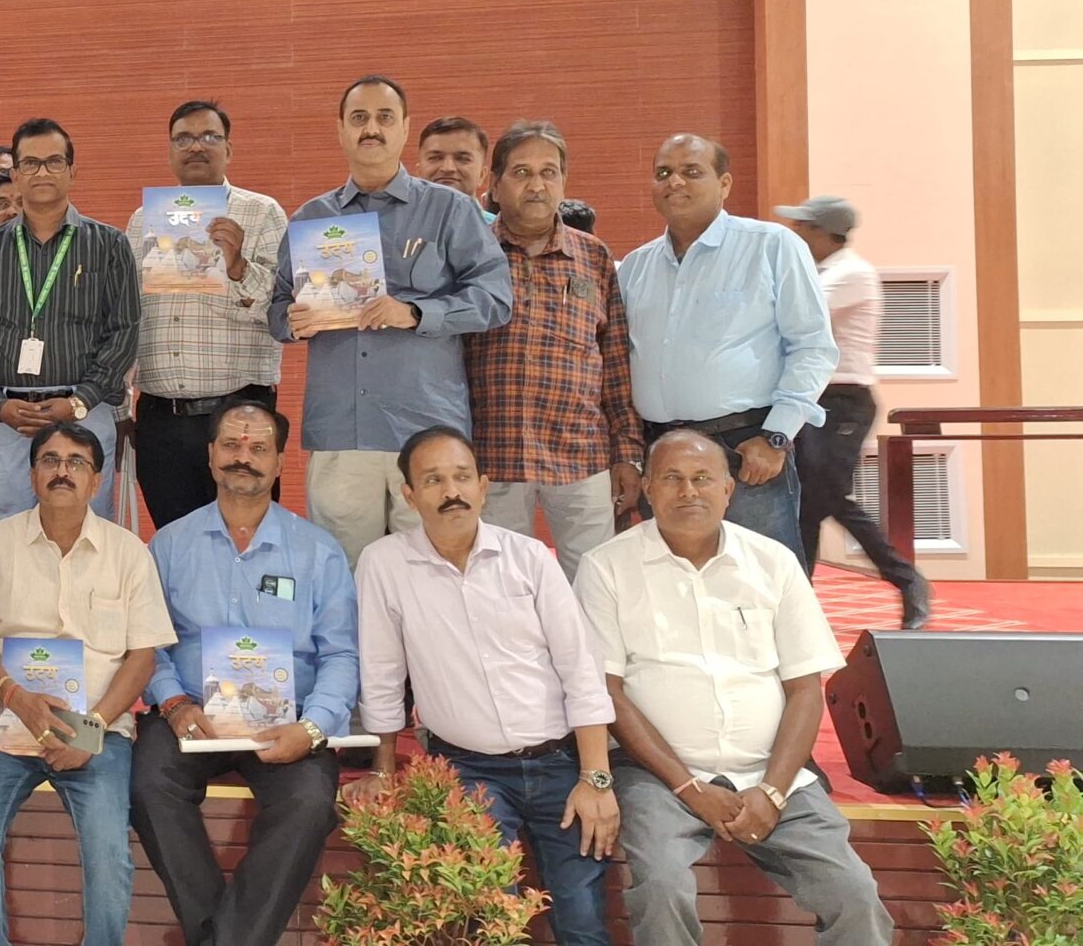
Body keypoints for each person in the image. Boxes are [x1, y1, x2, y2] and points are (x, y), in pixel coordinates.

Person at [577, 430, 894, 946]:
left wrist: (772, 791)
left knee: (855, 894)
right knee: (661, 887)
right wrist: (688, 788)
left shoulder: (773, 562)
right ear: (648, 489)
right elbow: (607, 692)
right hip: (657, 777)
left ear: (729, 489)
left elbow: (805, 688)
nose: (688, 491)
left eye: (703, 478)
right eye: (672, 479)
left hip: (771, 772)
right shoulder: (606, 567)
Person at [347, 426, 620, 946]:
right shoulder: (384, 564)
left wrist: (596, 780)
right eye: (433, 480)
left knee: (582, 918)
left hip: (561, 765)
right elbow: (381, 677)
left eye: (462, 477)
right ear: (409, 495)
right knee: (490, 917)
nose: (451, 492)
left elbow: (581, 669)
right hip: (467, 769)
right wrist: (382, 769)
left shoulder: (530, 558)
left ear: (483, 486)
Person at [130, 402, 356, 946]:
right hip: (191, 714)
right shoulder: (168, 546)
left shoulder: (319, 552)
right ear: (210, 456)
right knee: (147, 785)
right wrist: (173, 703)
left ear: (279, 462)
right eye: (231, 445)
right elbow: (146, 644)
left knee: (309, 803)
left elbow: (342, 656)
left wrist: (313, 727)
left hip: (286, 722)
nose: (243, 458)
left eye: (258, 449)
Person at [0, 422, 171, 946]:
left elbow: (143, 657)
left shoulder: (128, 552)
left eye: (76, 463)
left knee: (108, 852)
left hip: (96, 731)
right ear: (32, 476)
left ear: (97, 481)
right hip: (6, 725)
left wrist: (90, 729)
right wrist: (14, 696)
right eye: (49, 460)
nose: (62, 471)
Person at [270, 76, 510, 562]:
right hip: (342, 433)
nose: (371, 129)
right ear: (341, 130)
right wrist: (292, 321)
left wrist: (417, 312)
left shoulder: (448, 209)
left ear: (404, 129)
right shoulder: (311, 218)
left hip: (425, 429)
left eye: (384, 118)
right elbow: (275, 309)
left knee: (434, 571)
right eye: (359, 118)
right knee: (345, 574)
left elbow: (495, 297)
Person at [618, 135, 835, 557]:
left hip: (746, 450)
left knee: (760, 577)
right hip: (660, 452)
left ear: (724, 184)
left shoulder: (771, 246)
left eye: (691, 171)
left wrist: (776, 436)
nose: (674, 181)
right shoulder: (635, 267)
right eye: (663, 172)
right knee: (672, 578)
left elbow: (812, 345)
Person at [467, 121, 642, 576]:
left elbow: (616, 364)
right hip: (494, 452)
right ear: (495, 185)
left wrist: (627, 452)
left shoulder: (594, 257)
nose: (536, 185)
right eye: (521, 172)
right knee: (501, 583)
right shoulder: (471, 254)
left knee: (595, 581)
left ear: (563, 182)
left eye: (549, 172)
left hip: (581, 453)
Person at [0, 118, 138, 522]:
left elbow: (124, 333)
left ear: (72, 170)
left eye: (54, 162)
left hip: (84, 413)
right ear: (16, 175)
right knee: (11, 535)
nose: (42, 172)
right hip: (7, 419)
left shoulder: (109, 245)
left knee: (85, 530)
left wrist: (78, 401)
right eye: (30, 164)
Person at [121, 100, 289, 530]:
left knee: (246, 538)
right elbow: (125, 317)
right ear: (169, 150)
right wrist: (122, 407)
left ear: (229, 149)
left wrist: (238, 267)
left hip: (239, 415)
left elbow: (284, 314)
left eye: (209, 137)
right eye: (183, 139)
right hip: (160, 419)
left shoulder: (262, 212)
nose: (196, 146)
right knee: (176, 543)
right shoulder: (142, 221)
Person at [773, 195, 932, 626]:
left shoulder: (851, 273)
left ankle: (906, 579)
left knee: (824, 495)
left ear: (826, 233)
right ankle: (800, 601)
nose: (796, 234)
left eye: (803, 227)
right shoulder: (821, 271)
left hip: (844, 401)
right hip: (812, 399)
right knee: (807, 499)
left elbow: (797, 317)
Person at [416, 115, 494, 217]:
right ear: (419, 172)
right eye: (435, 158)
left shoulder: (497, 227)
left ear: (482, 175)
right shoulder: (398, 224)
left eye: (462, 159)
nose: (448, 168)